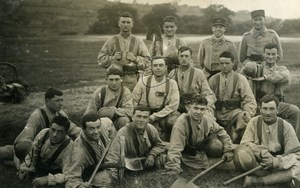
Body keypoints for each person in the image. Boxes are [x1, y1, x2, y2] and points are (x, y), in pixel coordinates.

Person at [0, 88, 81, 165]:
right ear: (47, 101)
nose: (60, 103)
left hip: (50, 149)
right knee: (7, 153)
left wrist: (85, 135)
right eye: (57, 100)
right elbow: (26, 137)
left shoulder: (60, 113)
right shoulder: (37, 115)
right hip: (36, 148)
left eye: (61, 100)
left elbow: (72, 128)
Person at [234, 95, 300, 187]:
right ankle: (280, 179)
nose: (268, 112)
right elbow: (245, 143)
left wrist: (275, 161)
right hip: (259, 161)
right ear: (260, 109)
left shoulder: (286, 126)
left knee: (298, 167)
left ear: (277, 110)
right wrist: (262, 152)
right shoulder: (254, 122)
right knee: (242, 153)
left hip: (279, 163)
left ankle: (256, 181)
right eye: (264, 109)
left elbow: (295, 154)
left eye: (271, 109)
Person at [164, 95, 234, 174]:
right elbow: (175, 147)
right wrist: (173, 167)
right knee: (229, 165)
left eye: (202, 109)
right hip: (187, 154)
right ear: (190, 107)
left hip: (201, 150)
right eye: (196, 108)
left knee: (217, 146)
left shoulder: (206, 119)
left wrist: (228, 149)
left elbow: (221, 131)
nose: (198, 112)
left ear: (206, 109)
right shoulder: (181, 123)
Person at [102, 105, 167, 185]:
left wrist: (152, 155)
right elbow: (112, 157)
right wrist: (113, 178)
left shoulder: (151, 129)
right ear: (133, 117)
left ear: (148, 119)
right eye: (138, 116)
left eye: (145, 117)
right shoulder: (123, 133)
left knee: (164, 157)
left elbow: (160, 145)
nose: (141, 120)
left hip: (145, 161)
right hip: (129, 165)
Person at [247, 43, 300, 140]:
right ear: (264, 55)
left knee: (294, 111)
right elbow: (246, 71)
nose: (270, 57)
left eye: (273, 54)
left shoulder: (281, 69)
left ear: (277, 56)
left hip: (278, 104)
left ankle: (291, 139)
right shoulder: (257, 68)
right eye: (268, 54)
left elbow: (286, 77)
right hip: (260, 104)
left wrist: (266, 78)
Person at [209, 51, 257, 143]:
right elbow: (208, 98)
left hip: (233, 112)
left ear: (233, 64)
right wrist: (209, 111)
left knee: (244, 117)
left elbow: (249, 100)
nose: (224, 66)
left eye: (227, 63)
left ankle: (242, 140)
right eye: (221, 63)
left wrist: (248, 111)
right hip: (217, 112)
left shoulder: (240, 79)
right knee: (207, 118)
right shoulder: (213, 79)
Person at [97, 12, 150, 91]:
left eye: (128, 22)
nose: (125, 25)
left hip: (132, 80)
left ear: (132, 24)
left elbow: (148, 61)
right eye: (123, 22)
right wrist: (112, 58)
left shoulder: (138, 41)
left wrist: (135, 59)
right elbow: (100, 60)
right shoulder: (111, 40)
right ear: (119, 23)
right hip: (115, 80)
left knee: (132, 101)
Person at [132, 57, 180, 141]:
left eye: (161, 65)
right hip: (146, 113)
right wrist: (140, 114)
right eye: (155, 65)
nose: (158, 68)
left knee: (174, 120)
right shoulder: (143, 81)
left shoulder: (172, 83)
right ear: (152, 68)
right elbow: (134, 100)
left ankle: (175, 144)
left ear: (165, 68)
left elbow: (173, 106)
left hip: (164, 115)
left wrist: (154, 117)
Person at [17, 115, 73, 187]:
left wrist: (48, 179)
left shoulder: (68, 146)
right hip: (38, 164)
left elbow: (69, 174)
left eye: (60, 132)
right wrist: (26, 169)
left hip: (51, 170)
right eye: (53, 130)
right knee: (18, 148)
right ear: (49, 128)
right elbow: (33, 152)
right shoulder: (44, 133)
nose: (55, 134)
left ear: (66, 133)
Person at [65, 112, 116, 188]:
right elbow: (72, 178)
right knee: (106, 180)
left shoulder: (104, 125)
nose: (96, 132)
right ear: (84, 130)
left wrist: (113, 140)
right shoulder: (79, 152)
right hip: (90, 172)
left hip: (106, 163)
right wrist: (79, 186)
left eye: (98, 127)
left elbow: (109, 122)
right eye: (91, 129)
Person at [168, 46, 216, 115]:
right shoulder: (172, 73)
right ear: (178, 57)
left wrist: (207, 104)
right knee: (170, 120)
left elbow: (208, 93)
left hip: (194, 105)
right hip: (178, 106)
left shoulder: (198, 73)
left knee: (207, 116)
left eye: (186, 56)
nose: (184, 59)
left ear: (191, 58)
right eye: (181, 56)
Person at [84, 65, 133, 130]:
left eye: (117, 79)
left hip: (117, 121)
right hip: (101, 122)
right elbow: (89, 112)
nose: (114, 83)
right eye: (111, 80)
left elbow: (129, 111)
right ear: (106, 79)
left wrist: (113, 111)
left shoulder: (125, 92)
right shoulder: (100, 92)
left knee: (124, 120)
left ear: (121, 79)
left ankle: (122, 139)